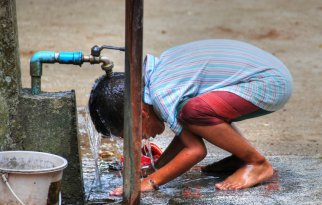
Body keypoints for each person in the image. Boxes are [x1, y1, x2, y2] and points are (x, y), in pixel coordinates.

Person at [89, 39, 292, 195]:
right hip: (268, 76)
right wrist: (155, 168)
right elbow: (188, 133)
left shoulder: (161, 95)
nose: (142, 139)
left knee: (194, 112)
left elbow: (195, 149)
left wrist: (150, 182)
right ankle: (241, 157)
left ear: (141, 113)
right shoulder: (156, 79)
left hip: (269, 84)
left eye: (134, 134)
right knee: (193, 114)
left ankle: (257, 163)